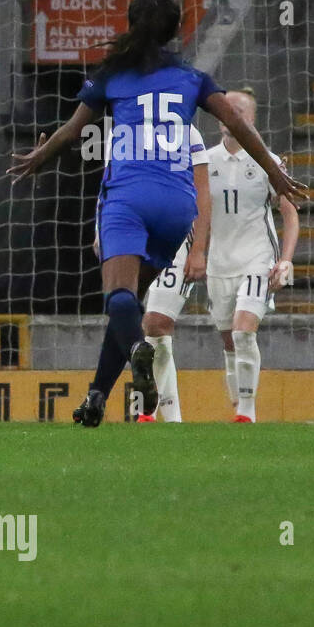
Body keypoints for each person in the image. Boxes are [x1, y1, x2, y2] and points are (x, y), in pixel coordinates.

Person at [9, 0, 305, 426]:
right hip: (176, 204)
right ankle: (95, 397)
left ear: (131, 25)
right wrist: (275, 172)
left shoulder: (112, 74)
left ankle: (137, 352)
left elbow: (72, 132)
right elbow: (237, 123)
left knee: (119, 299)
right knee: (128, 307)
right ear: (175, 32)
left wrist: (38, 157)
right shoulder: (193, 77)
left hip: (128, 195)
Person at [200, 88, 299, 423]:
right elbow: (196, 215)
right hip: (218, 263)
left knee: (244, 332)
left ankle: (247, 412)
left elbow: (290, 213)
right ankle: (238, 407)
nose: (234, 114)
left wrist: (285, 260)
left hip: (257, 259)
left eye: (242, 110)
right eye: (230, 109)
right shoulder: (204, 160)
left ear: (252, 119)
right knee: (229, 340)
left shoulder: (269, 161)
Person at [131, 126, 207, 422]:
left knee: (156, 322)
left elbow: (203, 194)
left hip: (177, 239)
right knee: (147, 327)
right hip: (135, 234)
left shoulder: (188, 133)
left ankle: (144, 412)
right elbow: (111, 182)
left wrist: (199, 249)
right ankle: (170, 418)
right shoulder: (127, 130)